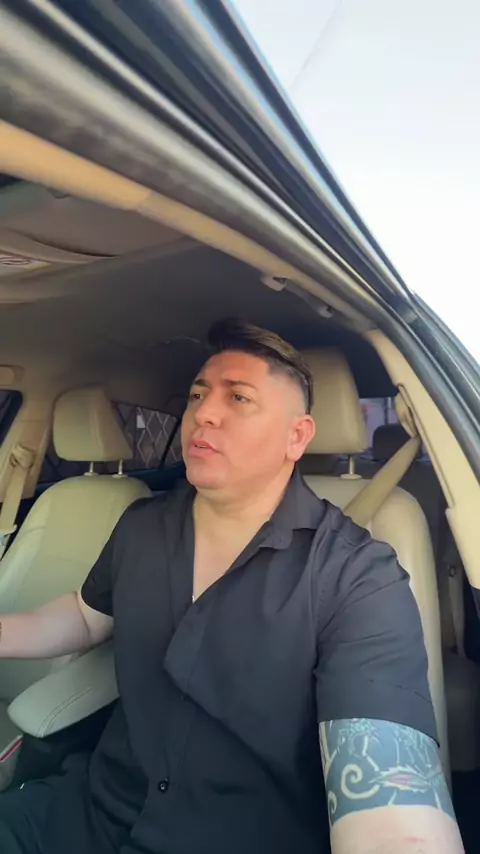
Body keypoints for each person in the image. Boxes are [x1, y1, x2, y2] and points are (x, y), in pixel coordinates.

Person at [0, 318, 464, 854]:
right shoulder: (141, 525)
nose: (204, 413)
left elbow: (390, 803)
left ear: (297, 436)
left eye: (239, 398)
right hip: (89, 812)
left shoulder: (357, 577)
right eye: (198, 395)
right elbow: (85, 617)